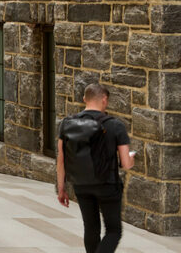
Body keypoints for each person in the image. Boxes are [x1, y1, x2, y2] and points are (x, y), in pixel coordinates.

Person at [57, 83, 135, 253]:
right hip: (107, 184)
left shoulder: (67, 124)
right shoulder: (115, 125)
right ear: (105, 100)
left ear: (85, 99)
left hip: (81, 184)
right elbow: (126, 163)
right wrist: (131, 159)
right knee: (114, 230)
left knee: (91, 228)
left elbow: (61, 159)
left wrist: (61, 188)